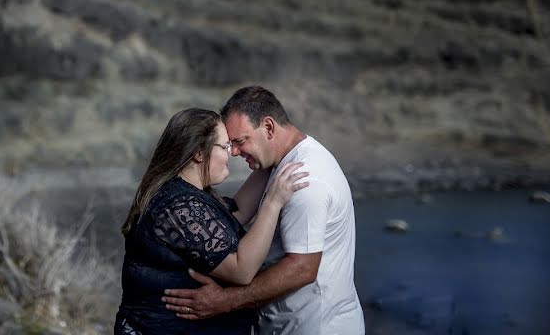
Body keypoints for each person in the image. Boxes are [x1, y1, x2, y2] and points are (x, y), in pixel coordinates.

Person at [162, 86, 365, 334]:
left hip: (316, 326)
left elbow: (302, 268)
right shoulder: (277, 165)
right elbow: (232, 216)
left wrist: (225, 301)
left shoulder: (304, 179)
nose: (234, 152)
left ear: (268, 128)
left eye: (240, 141)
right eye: (229, 145)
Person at [115, 107, 309, 334]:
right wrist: (273, 203)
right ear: (199, 153)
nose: (232, 153)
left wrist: (270, 152)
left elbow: (238, 212)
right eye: (226, 146)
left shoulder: (185, 195)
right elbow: (242, 270)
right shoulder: (177, 206)